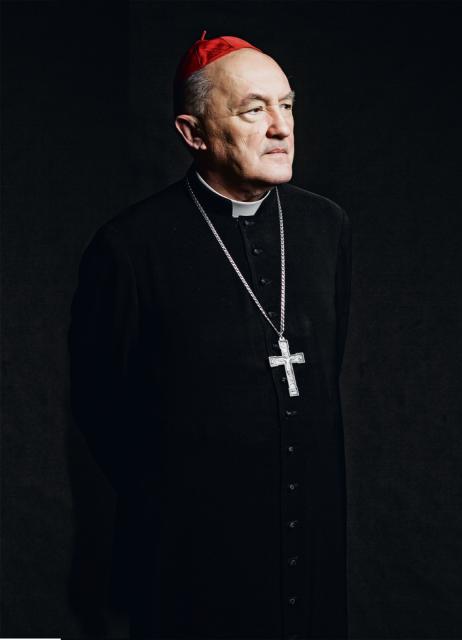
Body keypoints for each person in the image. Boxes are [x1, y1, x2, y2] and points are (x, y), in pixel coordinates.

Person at [68, 31, 352, 640]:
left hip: (313, 547)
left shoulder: (325, 227)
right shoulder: (131, 247)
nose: (280, 127)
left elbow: (326, 373)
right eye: (253, 110)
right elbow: (99, 407)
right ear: (193, 133)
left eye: (287, 105)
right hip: (193, 560)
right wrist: (180, 499)